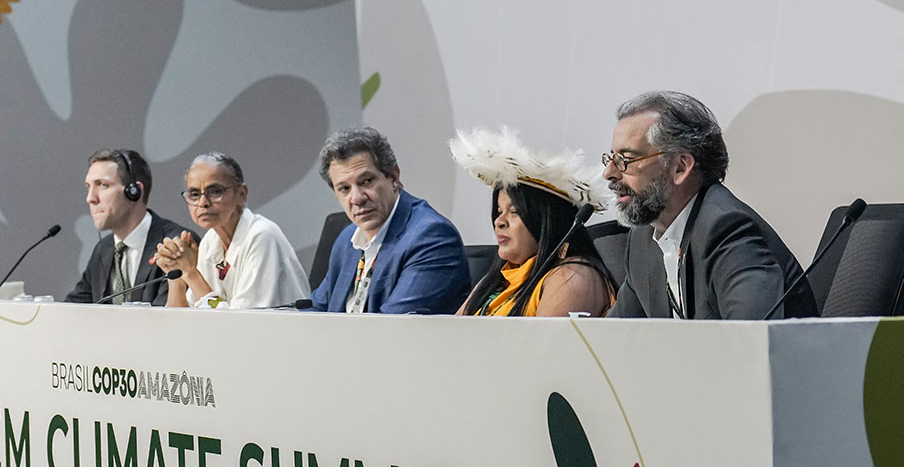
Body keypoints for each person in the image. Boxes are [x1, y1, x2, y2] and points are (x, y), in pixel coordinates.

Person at [603, 90, 817, 319]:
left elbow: (750, 335)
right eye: (610, 158)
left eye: (625, 159)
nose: (609, 173)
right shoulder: (643, 239)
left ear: (680, 167)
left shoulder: (728, 231)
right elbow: (615, 335)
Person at [450, 129, 615, 317]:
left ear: (548, 221)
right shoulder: (496, 280)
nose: (499, 222)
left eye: (514, 212)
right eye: (499, 211)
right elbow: (451, 331)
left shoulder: (571, 276)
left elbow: (548, 338)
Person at [309, 127, 470, 314]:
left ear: (393, 177)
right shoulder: (347, 240)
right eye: (344, 188)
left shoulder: (432, 237)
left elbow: (391, 325)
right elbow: (316, 310)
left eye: (366, 181)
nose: (357, 198)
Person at [154, 152, 308, 309]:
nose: (203, 202)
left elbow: (238, 321)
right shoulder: (210, 240)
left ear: (241, 194)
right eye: (194, 194)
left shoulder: (262, 236)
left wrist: (191, 273)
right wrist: (177, 274)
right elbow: (181, 319)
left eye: (215, 192)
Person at [66, 149, 196, 305]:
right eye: (89, 187)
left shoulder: (175, 245)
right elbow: (73, 307)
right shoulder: (103, 249)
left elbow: (167, 316)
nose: (90, 198)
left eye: (103, 185)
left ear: (134, 192)